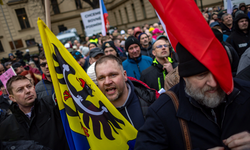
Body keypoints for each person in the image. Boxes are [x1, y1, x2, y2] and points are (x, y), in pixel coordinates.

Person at [135, 43, 250, 150]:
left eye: (217, 71)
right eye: (202, 75)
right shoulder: (162, 112)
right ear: (185, 78)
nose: (214, 83)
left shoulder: (246, 92)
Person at [0, 75, 69, 150]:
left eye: (29, 86)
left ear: (34, 87)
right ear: (12, 98)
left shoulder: (52, 105)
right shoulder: (6, 126)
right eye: (20, 90)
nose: (27, 91)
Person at [95, 55, 159, 130]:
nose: (107, 82)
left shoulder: (151, 100)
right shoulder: (95, 113)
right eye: (101, 78)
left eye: (113, 75)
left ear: (124, 75)